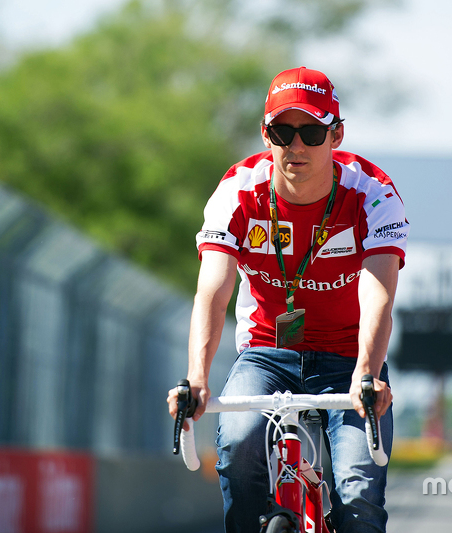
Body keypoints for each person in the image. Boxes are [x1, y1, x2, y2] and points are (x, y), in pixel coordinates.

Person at [168, 66, 408, 533]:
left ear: (336, 135)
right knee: (237, 445)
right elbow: (213, 291)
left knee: (359, 497)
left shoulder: (372, 193)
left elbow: (379, 295)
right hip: (265, 356)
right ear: (265, 134)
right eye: (283, 131)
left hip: (347, 359)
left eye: (312, 131)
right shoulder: (237, 191)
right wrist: (197, 379)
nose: (296, 146)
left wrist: (366, 375)